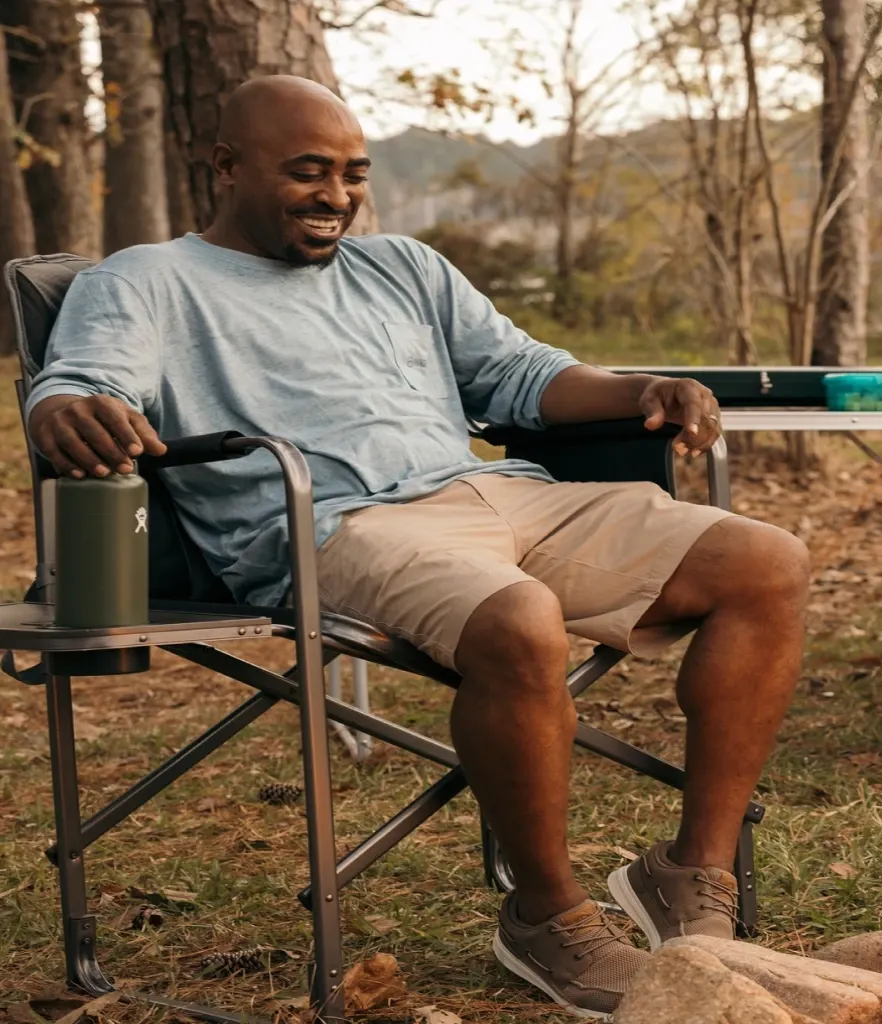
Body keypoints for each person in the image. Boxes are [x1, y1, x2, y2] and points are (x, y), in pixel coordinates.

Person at [26, 76, 807, 1017]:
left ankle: (690, 874)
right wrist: (74, 409)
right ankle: (548, 918)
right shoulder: (146, 279)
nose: (336, 196)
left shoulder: (403, 266)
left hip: (497, 494)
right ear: (226, 165)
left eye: (352, 175)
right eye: (307, 172)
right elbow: (79, 381)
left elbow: (521, 377)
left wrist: (645, 386)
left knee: (768, 563)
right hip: (327, 523)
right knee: (521, 621)